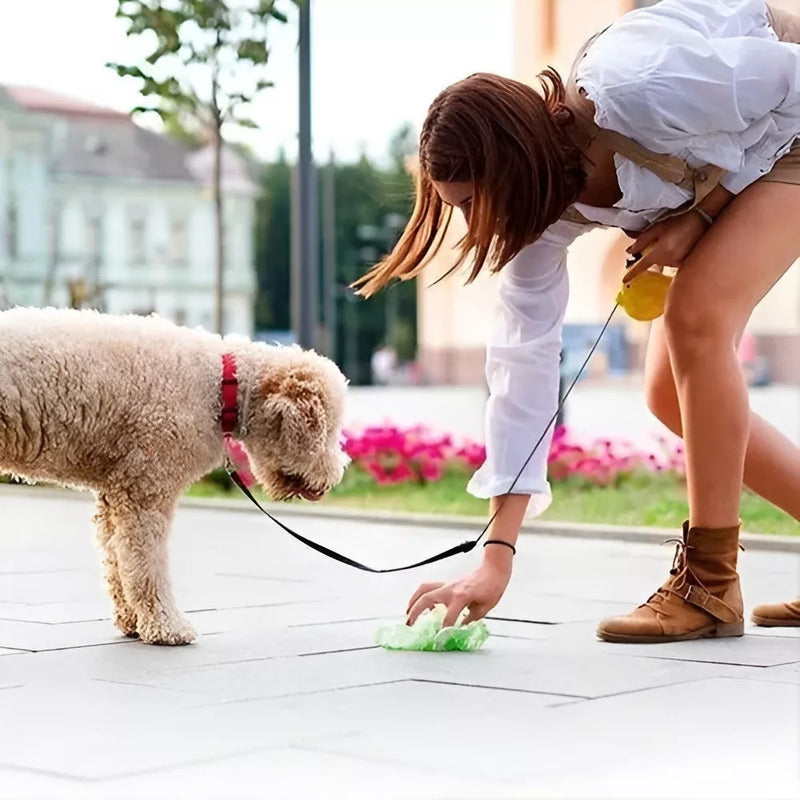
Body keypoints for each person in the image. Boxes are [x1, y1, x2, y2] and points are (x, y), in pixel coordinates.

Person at [354, 0, 800, 639]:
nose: (475, 222)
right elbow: (523, 363)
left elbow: (793, 83)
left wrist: (702, 216)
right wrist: (495, 558)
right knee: (667, 393)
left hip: (793, 115)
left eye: (474, 201)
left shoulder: (640, 86)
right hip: (744, 150)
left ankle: (709, 586)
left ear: (515, 162)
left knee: (696, 317)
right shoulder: (540, 208)